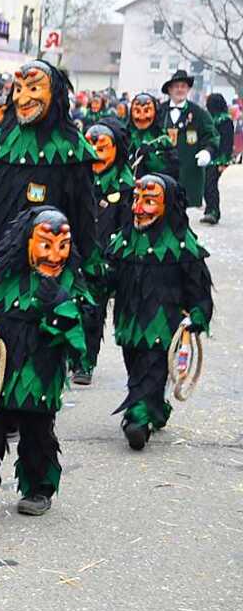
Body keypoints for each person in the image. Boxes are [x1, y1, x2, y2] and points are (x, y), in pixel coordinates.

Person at [0, 207, 89, 520]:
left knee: (38, 434)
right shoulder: (0, 275)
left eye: (62, 246)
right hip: (1, 372)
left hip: (41, 375)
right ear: (26, 242)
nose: (54, 256)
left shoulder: (70, 282)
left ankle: (39, 488)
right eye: (45, 245)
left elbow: (82, 323)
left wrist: (57, 305)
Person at [0, 60, 99, 282]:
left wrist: (90, 270)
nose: (22, 98)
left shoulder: (72, 150)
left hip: (51, 273)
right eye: (18, 89)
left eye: (33, 88)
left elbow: (83, 218)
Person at [106, 174, 213, 449]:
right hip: (129, 325)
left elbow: (198, 290)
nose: (138, 209)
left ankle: (138, 420)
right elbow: (108, 279)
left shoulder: (182, 247)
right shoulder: (125, 241)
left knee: (151, 369)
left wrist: (198, 316)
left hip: (164, 327)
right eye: (137, 200)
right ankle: (156, 407)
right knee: (136, 370)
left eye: (149, 201)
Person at [74, 118, 135, 386]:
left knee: (92, 311)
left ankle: (85, 361)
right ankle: (69, 355)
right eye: (90, 143)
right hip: (72, 254)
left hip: (104, 259)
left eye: (102, 146)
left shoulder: (125, 186)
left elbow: (128, 226)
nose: (95, 151)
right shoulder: (77, 176)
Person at [160, 70, 217, 208]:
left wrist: (207, 151)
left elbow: (211, 136)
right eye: (176, 86)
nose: (180, 89)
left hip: (188, 171)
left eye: (183, 86)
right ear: (169, 89)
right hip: (162, 168)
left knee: (182, 210)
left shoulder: (198, 113)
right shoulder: (159, 111)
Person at [201, 93, 233, 225]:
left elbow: (227, 142)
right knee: (205, 185)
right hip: (208, 157)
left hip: (218, 158)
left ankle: (214, 211)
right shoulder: (209, 118)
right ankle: (209, 210)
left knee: (211, 185)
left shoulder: (225, 120)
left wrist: (224, 161)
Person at [127, 92, 176, 177]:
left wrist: (151, 156)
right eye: (137, 111)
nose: (142, 117)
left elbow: (172, 170)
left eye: (147, 111)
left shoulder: (163, 138)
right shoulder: (124, 136)